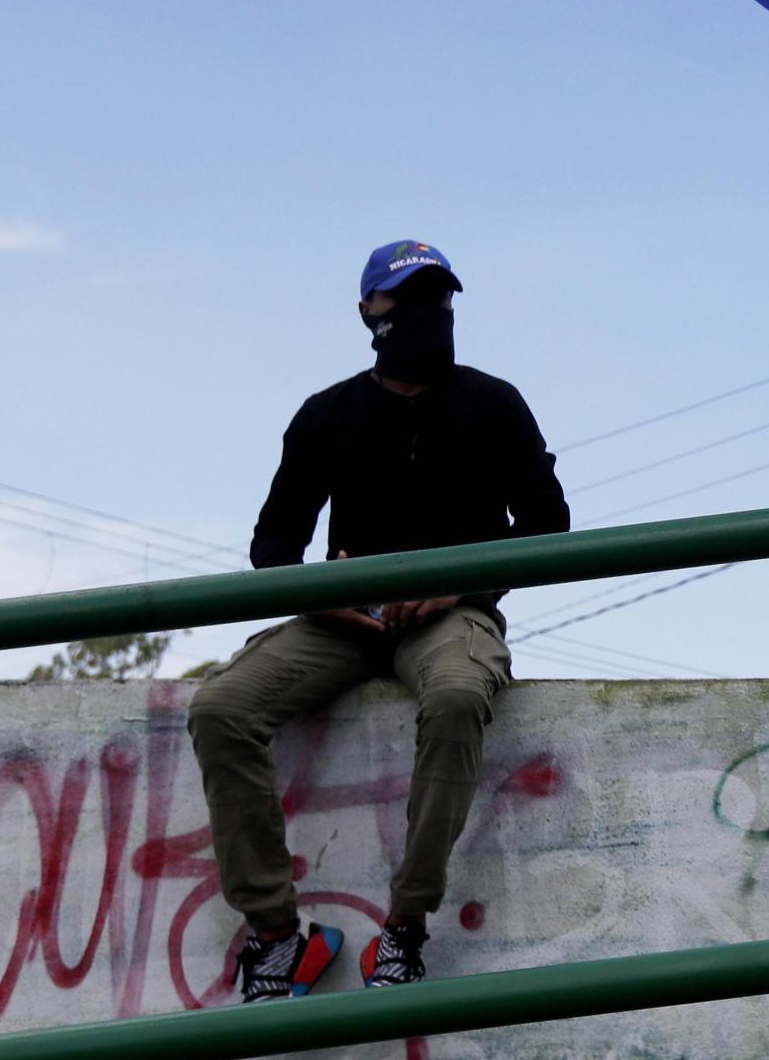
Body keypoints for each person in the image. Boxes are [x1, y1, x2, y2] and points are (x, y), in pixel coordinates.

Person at [185, 241, 568, 1002]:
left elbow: (548, 525)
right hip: (341, 624)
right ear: (368, 311)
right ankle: (277, 937)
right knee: (220, 708)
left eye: (438, 298)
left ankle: (404, 927)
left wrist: (458, 583)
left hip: (451, 618)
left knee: (456, 697)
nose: (427, 313)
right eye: (406, 299)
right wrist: (320, 595)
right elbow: (273, 546)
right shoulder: (327, 413)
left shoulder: (494, 402)